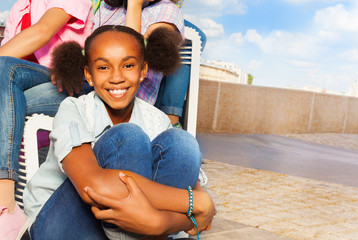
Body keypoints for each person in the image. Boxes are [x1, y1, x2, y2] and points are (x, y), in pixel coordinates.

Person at [23, 25, 215, 239]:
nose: (117, 77)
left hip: (130, 229)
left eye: (128, 65)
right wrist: (192, 205)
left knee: (182, 143)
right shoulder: (74, 109)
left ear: (143, 71)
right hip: (59, 224)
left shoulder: (156, 119)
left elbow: (196, 191)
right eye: (103, 68)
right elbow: (93, 186)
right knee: (127, 138)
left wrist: (161, 222)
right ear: (89, 74)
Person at [0, 0, 93, 239]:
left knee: (4, 80)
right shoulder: (19, 7)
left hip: (66, 80)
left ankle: (6, 203)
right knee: (5, 91)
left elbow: (42, 31)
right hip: (17, 84)